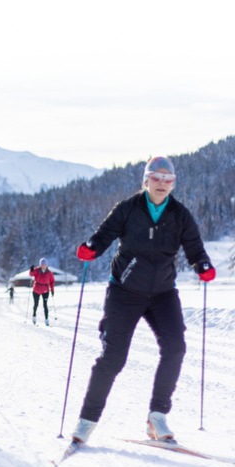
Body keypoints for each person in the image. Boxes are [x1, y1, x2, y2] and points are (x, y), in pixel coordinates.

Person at [69, 156, 215, 446]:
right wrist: (91, 249)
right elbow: (103, 235)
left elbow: (195, 249)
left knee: (175, 348)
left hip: (162, 293)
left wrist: (202, 266)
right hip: (124, 292)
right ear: (146, 180)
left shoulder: (180, 214)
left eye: (168, 179)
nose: (162, 184)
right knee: (113, 357)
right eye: (156, 178)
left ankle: (157, 416)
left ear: (173, 184)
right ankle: (87, 421)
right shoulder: (128, 209)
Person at [29, 258, 55, 326]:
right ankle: (34, 316)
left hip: (45, 290)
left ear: (46, 265)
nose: (43, 266)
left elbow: (52, 282)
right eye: (42, 264)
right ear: (40, 265)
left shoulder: (49, 273)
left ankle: (46, 320)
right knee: (36, 304)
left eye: (44, 264)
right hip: (36, 289)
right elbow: (31, 274)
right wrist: (31, 269)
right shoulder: (37, 270)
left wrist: (52, 290)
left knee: (45, 305)